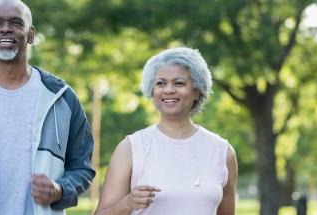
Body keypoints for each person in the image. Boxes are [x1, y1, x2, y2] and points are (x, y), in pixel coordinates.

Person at [0, 0, 95, 214]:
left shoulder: (62, 99)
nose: (5, 28)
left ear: (31, 34)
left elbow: (82, 168)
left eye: (16, 23)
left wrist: (60, 190)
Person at [95, 47, 238, 215]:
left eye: (179, 83)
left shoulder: (222, 152)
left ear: (197, 91)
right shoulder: (130, 148)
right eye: (161, 83)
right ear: (152, 90)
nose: (168, 90)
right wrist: (127, 203)